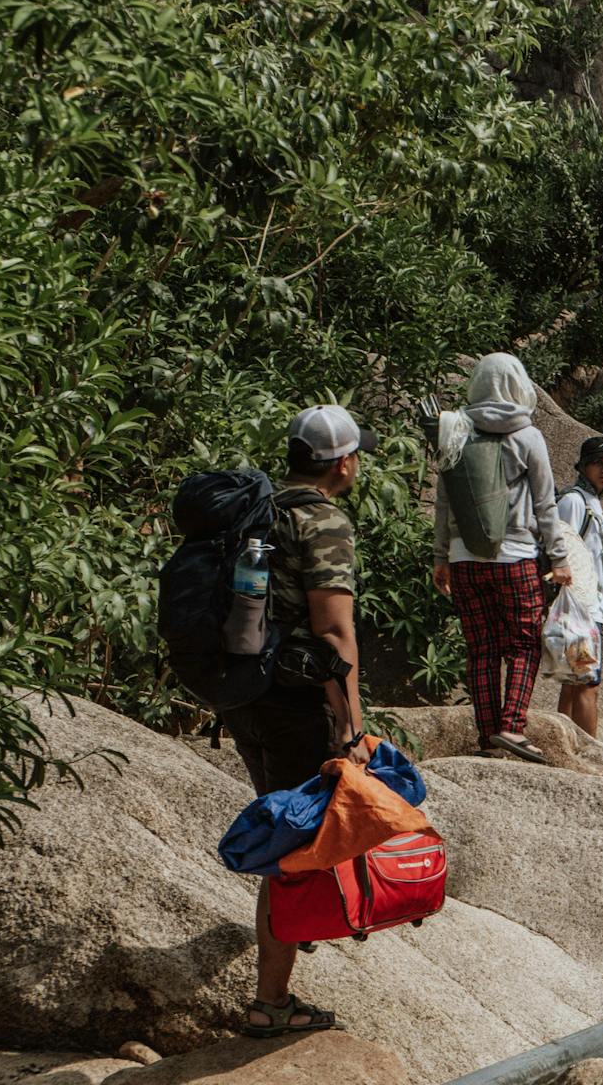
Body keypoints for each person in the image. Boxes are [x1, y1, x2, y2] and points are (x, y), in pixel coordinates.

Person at [224, 404, 376, 1037]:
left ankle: (294, 935)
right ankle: (270, 1002)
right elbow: (335, 629)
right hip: (294, 702)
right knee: (290, 848)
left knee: (287, 822)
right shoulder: (322, 521)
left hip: (244, 693)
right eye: (356, 454)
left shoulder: (255, 512)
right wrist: (354, 727)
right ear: (343, 462)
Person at [431, 353, 574, 764]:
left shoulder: (456, 429)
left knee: (481, 650)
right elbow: (546, 506)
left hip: (463, 560)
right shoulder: (527, 435)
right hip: (515, 557)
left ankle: (486, 737)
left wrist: (442, 556)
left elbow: (444, 501)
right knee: (525, 643)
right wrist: (560, 558)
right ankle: (511, 727)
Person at [553, 435, 603, 737]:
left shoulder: (591, 501)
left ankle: (563, 743)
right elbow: (560, 547)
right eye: (598, 463)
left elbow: (587, 553)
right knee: (588, 682)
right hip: (579, 610)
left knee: (575, 680)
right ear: (583, 466)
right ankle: (591, 754)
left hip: (588, 608)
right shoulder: (573, 501)